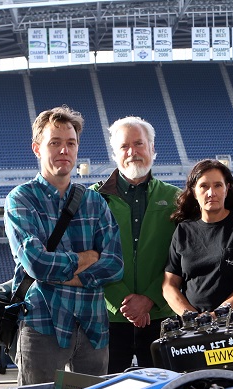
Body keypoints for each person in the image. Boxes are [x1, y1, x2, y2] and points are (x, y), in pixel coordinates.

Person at [4, 106, 124, 385]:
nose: (64, 150)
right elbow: (36, 263)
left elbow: (115, 265)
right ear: (37, 148)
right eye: (54, 143)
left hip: (93, 326)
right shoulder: (21, 199)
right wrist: (89, 258)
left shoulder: (94, 202)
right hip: (43, 324)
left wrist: (60, 274)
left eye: (70, 143)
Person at [92, 116, 180, 373]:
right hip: (107, 318)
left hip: (163, 316)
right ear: (114, 154)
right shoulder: (93, 199)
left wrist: (150, 299)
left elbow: (183, 258)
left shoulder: (176, 199)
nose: (132, 152)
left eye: (139, 144)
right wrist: (124, 302)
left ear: (153, 148)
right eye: (124, 146)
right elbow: (90, 257)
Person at [163, 159, 233, 315]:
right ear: (194, 191)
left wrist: (218, 315)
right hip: (193, 327)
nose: (211, 193)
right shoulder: (183, 231)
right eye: (204, 186)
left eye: (217, 185)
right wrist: (191, 317)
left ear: (226, 189)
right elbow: (169, 284)